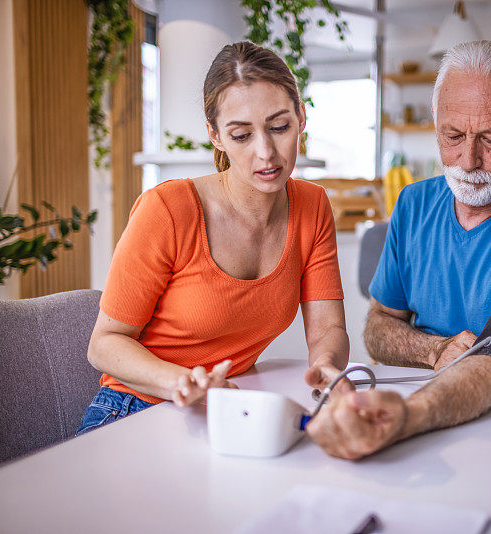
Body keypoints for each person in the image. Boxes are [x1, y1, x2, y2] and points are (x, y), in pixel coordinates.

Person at [306, 41, 491, 460]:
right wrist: (434, 350)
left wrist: (409, 416)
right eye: (453, 136)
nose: (468, 160)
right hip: (432, 417)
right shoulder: (413, 204)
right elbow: (378, 327)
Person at [77, 42, 350, 435]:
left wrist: (326, 368)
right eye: (241, 135)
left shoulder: (313, 206)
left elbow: (327, 330)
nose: (266, 153)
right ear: (216, 136)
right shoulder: (168, 209)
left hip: (226, 406)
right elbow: (103, 344)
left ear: (300, 117)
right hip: (132, 409)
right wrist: (182, 383)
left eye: (279, 127)